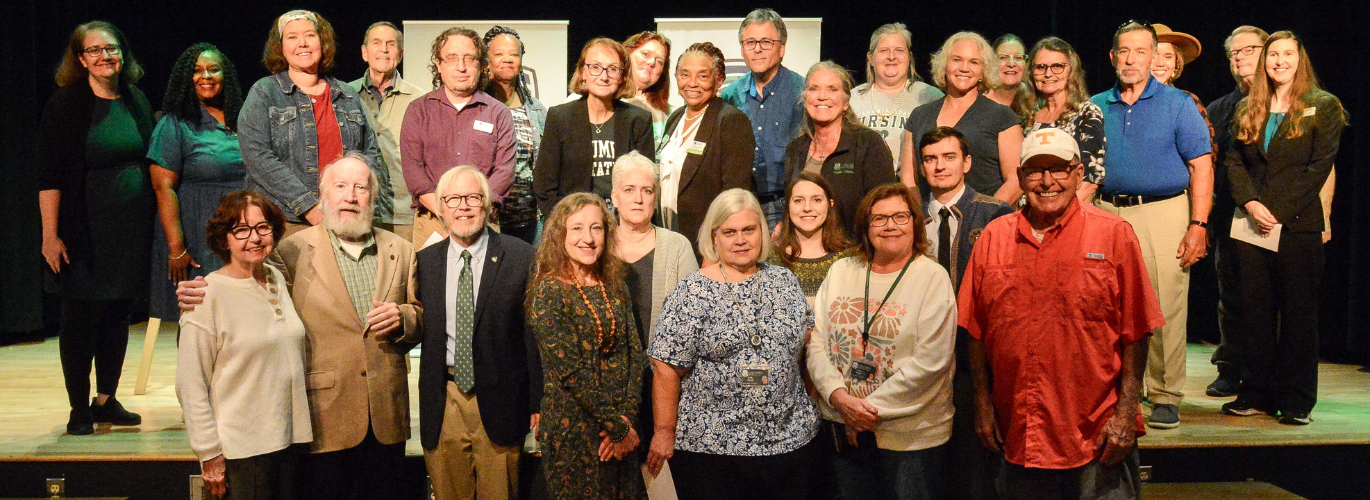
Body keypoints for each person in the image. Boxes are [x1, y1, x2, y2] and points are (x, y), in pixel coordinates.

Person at [180, 154, 420, 500]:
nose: (350, 196)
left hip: (386, 419)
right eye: (340, 186)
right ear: (322, 195)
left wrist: (405, 319)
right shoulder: (291, 252)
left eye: (361, 188)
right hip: (323, 421)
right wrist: (194, 291)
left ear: (373, 196)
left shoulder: (401, 249)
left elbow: (420, 314)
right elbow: (240, 277)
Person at [960, 128, 1163, 500]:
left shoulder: (1114, 234)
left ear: (1078, 173)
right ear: (1020, 179)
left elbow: (1138, 331)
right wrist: (983, 404)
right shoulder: (993, 237)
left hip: (1097, 435)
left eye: (1059, 169)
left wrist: (1125, 415)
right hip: (1018, 431)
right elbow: (975, 331)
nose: (1047, 181)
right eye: (1036, 171)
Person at [646, 188, 821, 500]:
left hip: (789, 442)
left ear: (762, 232)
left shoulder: (784, 281)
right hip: (713, 450)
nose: (740, 240)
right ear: (715, 237)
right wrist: (663, 432)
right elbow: (665, 367)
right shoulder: (692, 292)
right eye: (730, 232)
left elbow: (806, 349)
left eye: (749, 230)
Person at [1091, 21, 1214, 430]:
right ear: (1112, 57)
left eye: (1140, 51)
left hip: (1163, 210)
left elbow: (1201, 165)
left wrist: (1198, 224)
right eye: (1123, 51)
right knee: (1105, 304)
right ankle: (1112, 388)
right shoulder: (1096, 104)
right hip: (1106, 210)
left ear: (1152, 56)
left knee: (1163, 303)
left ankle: (1164, 393)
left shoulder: (1178, 103)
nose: (1131, 59)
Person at [1221, 32, 1348, 426]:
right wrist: (1252, 204)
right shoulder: (1248, 106)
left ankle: (1296, 400)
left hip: (1297, 226)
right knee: (1254, 314)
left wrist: (1274, 209)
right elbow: (1234, 162)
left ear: (1300, 59)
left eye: (1287, 54)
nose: (1279, 61)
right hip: (1252, 224)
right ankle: (1256, 392)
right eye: (1273, 54)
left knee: (1297, 316)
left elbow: (1318, 167)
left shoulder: (1322, 106)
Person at [39, 20, 154, 435]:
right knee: (81, 317)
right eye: (95, 50)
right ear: (80, 59)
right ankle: (77, 407)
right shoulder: (67, 104)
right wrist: (50, 235)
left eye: (112, 48)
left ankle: (106, 400)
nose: (106, 56)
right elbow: (49, 175)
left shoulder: (136, 98)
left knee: (118, 313)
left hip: (130, 230)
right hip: (83, 229)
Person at [807, 182, 956, 500]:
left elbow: (932, 361)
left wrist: (863, 412)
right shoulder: (841, 271)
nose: (890, 225)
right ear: (865, 225)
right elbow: (817, 342)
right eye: (879, 218)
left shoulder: (931, 277)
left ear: (915, 222)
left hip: (909, 438)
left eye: (901, 216)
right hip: (843, 427)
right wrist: (839, 399)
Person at [403, 165, 541, 499]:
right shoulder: (424, 261)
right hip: (444, 400)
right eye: (453, 199)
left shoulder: (521, 256)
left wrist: (538, 400)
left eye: (472, 197)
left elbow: (533, 335)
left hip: (502, 402)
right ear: (440, 208)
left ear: (488, 204)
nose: (463, 206)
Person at [176, 192, 310, 500]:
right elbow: (190, 384)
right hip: (243, 453)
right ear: (224, 239)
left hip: (290, 443)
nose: (255, 237)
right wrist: (208, 454)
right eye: (241, 230)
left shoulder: (276, 278)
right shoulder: (207, 296)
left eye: (263, 227)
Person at [915, 126, 1014, 499]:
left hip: (977, 354)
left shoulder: (994, 213)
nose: (940, 166)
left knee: (975, 462)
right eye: (930, 159)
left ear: (967, 162)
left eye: (949, 157)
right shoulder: (908, 218)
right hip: (923, 353)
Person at [527, 193, 647, 499]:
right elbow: (572, 374)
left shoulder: (615, 283)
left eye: (596, 228)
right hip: (574, 433)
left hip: (621, 430)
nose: (588, 238)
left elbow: (634, 354)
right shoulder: (549, 292)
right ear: (559, 235)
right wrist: (616, 427)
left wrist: (627, 421)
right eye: (577, 228)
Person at [238, 10, 389, 234]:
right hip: (284, 220)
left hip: (344, 219)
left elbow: (369, 154)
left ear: (322, 42)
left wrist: (360, 202)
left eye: (310, 35)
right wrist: (307, 206)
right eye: (292, 37)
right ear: (280, 47)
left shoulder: (346, 94)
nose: (303, 43)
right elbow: (257, 156)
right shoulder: (265, 92)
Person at [611, 151, 698, 494]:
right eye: (629, 189)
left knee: (663, 486)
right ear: (614, 196)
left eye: (647, 190)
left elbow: (694, 323)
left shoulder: (676, 247)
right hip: (612, 391)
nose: (638, 198)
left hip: (665, 388)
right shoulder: (596, 246)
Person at [147, 43, 245, 322]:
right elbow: (162, 187)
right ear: (185, 78)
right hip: (198, 230)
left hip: (241, 229)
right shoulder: (175, 124)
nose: (206, 76)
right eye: (197, 70)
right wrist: (177, 247)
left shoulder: (242, 119)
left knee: (239, 314)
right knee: (199, 316)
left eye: (213, 69)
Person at [401, 27, 516, 248]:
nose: (461, 67)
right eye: (452, 58)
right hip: (433, 222)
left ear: (481, 66)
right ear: (438, 64)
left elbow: (504, 172)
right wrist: (448, 213)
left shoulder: (499, 113)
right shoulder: (418, 111)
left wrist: (471, 211)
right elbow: (413, 171)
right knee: (431, 282)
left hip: (482, 220)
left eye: (469, 59)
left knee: (485, 283)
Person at [1203, 26, 1269, 398]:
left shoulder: (1285, 102)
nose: (1239, 57)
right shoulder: (1218, 109)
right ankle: (1230, 367)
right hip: (1230, 218)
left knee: (1270, 299)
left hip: (1279, 214)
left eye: (1248, 49)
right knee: (1232, 296)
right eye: (1232, 53)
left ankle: (1264, 373)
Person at [535, 38, 655, 216]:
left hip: (622, 223)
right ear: (583, 72)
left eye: (613, 69)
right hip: (571, 223)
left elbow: (646, 183)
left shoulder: (639, 120)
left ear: (622, 76)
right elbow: (544, 185)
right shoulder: (560, 118)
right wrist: (566, 223)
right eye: (596, 67)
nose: (604, 76)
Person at [901, 31, 1023, 204]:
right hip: (930, 223)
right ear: (944, 65)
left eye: (974, 62)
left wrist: (984, 218)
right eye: (957, 59)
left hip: (985, 225)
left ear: (983, 71)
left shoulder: (1002, 117)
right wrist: (921, 219)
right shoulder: (920, 116)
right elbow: (909, 180)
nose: (964, 68)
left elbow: (1016, 180)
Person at [657, 42, 757, 252]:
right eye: (685, 74)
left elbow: (734, 195)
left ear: (719, 80)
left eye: (702, 76)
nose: (692, 83)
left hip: (705, 240)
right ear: (676, 76)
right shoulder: (675, 117)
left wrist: (716, 246)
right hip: (668, 234)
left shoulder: (730, 121)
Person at [784, 61, 897, 234]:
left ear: (846, 102)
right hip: (805, 251)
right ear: (805, 98)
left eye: (832, 89)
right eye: (814, 88)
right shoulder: (795, 149)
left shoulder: (868, 144)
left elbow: (884, 208)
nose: (822, 96)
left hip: (854, 251)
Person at [721, 8, 806, 229]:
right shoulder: (731, 94)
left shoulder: (803, 91)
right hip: (743, 204)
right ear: (742, 49)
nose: (757, 50)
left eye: (766, 42)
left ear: (782, 49)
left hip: (788, 205)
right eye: (750, 42)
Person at [349, 21, 421, 241]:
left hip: (403, 214)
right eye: (377, 43)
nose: (384, 49)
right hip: (354, 209)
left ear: (399, 54)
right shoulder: (344, 95)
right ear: (364, 52)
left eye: (391, 44)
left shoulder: (420, 100)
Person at [1019, 37, 1106, 201]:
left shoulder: (1087, 113)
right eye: (1040, 67)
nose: (1048, 73)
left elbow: (1091, 179)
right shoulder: (1027, 119)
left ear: (1071, 71)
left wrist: (1060, 217)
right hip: (1030, 214)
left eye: (1057, 66)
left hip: (1068, 215)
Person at [484, 25, 548, 244]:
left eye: (514, 54)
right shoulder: (477, 105)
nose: (507, 59)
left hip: (530, 219)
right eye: (499, 54)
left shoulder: (536, 109)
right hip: (489, 218)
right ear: (487, 59)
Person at [850, 22, 944, 170]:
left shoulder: (930, 97)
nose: (891, 57)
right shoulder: (852, 98)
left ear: (909, 57)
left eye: (899, 50)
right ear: (871, 58)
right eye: (884, 50)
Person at [767, 172, 854, 304]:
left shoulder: (850, 258)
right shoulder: (771, 258)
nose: (807, 208)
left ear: (830, 204)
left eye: (817, 200)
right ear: (788, 205)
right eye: (798, 201)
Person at [1151, 24, 1220, 162]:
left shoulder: (1188, 101)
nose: (1160, 63)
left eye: (1168, 56)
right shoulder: (1125, 101)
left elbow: (1209, 152)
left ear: (1176, 64)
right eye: (1154, 56)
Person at [623, 31, 673, 145]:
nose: (651, 62)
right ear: (626, 54)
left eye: (659, 61)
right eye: (645, 54)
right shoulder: (595, 99)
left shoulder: (668, 114)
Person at [986, 34, 1028, 114]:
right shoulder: (979, 102)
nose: (1011, 64)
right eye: (1003, 57)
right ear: (992, 62)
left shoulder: (1034, 102)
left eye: (1018, 57)